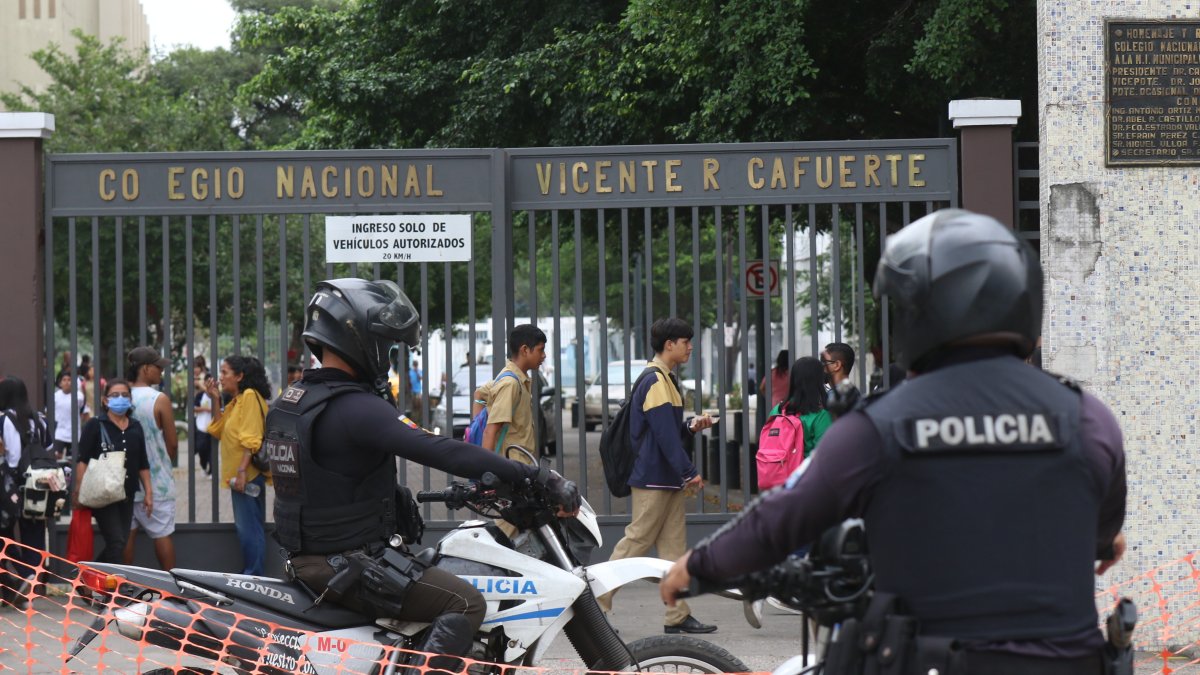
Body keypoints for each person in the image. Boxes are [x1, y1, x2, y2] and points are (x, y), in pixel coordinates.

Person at [661, 209, 1127, 674]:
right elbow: (1104, 532)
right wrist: (1101, 544)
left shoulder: (882, 426)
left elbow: (782, 516)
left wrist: (699, 566)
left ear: (928, 312)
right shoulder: (1087, 418)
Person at [269, 278, 579, 667]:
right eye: (385, 343)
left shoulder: (292, 402)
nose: (387, 355)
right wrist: (532, 475)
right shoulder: (355, 408)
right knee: (465, 603)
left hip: (314, 558)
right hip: (346, 564)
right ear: (360, 340)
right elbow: (439, 449)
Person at [598, 317, 716, 634]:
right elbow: (664, 438)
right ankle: (596, 605)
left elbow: (667, 431)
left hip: (664, 479)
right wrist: (690, 472)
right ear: (669, 345)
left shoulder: (665, 379)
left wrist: (691, 426)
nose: (690, 347)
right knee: (635, 542)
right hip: (652, 478)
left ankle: (677, 616)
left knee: (673, 551)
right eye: (686, 342)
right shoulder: (655, 381)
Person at [73, 379, 152, 564]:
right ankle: (111, 587)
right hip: (102, 493)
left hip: (127, 492)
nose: (121, 399)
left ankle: (89, 576)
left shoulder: (135, 426)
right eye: (115, 395)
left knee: (119, 544)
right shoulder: (95, 424)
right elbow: (82, 460)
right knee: (116, 542)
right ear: (105, 400)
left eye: (125, 395)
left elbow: (143, 462)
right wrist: (79, 490)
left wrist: (149, 492)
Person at [206, 355, 271, 576]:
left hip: (248, 475)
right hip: (241, 476)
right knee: (249, 528)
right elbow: (216, 429)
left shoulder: (250, 397)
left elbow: (251, 438)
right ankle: (252, 573)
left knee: (249, 530)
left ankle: (254, 576)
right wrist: (215, 399)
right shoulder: (237, 401)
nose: (220, 378)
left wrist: (242, 471)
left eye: (225, 372)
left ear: (240, 375)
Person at [0, 376, 53, 610]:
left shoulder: (2, 419)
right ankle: (33, 582)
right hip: (37, 485)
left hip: (7, 486)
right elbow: (50, 450)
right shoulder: (40, 420)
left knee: (4, 535)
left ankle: (23, 574)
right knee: (34, 537)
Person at [124, 347, 178, 570]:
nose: (161, 372)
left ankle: (122, 586)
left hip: (125, 480)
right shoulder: (159, 399)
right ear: (145, 369)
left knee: (127, 535)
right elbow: (173, 443)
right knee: (162, 534)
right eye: (158, 367)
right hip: (157, 482)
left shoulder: (120, 396)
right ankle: (172, 588)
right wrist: (166, 459)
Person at [472, 325, 547, 462]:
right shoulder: (510, 384)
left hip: (520, 464)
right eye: (540, 350)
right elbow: (490, 431)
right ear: (525, 350)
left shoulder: (514, 378)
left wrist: (476, 424)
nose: (544, 355)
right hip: (512, 468)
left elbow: (479, 394)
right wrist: (485, 472)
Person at [769, 356, 832, 457]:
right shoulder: (821, 416)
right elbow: (824, 456)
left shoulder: (777, 410)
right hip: (806, 471)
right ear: (819, 380)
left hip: (777, 471)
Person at [52, 369, 91, 461]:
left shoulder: (79, 396)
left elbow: (85, 413)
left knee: (73, 460)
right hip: (59, 433)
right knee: (57, 457)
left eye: (69, 380)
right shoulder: (55, 396)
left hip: (74, 433)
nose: (67, 382)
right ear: (60, 383)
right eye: (64, 380)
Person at [193, 366, 214, 476]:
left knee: (212, 451)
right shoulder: (200, 395)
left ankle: (211, 471)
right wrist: (206, 409)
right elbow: (194, 407)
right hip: (201, 427)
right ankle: (203, 465)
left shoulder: (217, 396)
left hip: (213, 428)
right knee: (201, 449)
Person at [409, 359, 423, 423]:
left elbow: (421, 378)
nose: (415, 366)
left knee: (419, 405)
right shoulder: (410, 372)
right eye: (414, 365)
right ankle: (413, 420)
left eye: (416, 365)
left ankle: (419, 420)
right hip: (412, 391)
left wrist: (417, 372)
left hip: (418, 391)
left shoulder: (420, 371)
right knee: (413, 406)